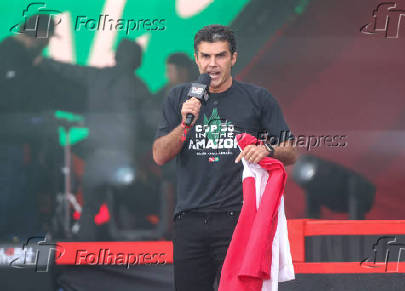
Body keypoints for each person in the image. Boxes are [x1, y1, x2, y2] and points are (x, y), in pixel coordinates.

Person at [153, 24, 297, 291]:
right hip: (190, 220)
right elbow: (160, 155)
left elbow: (290, 150)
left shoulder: (257, 98)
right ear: (196, 58)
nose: (212, 64)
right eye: (205, 56)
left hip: (238, 219)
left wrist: (267, 149)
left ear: (233, 58)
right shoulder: (179, 97)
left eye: (220, 56)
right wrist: (186, 124)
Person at [42, 38, 152, 240]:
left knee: (90, 207)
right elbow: (152, 121)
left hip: (97, 154)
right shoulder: (139, 87)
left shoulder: (97, 76)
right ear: (138, 61)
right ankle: (130, 256)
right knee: (124, 206)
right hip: (123, 157)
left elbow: (69, 70)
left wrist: (45, 61)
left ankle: (83, 254)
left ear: (117, 55)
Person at [0, 14, 84, 241]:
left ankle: (31, 237)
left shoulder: (25, 61)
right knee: (11, 190)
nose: (47, 44)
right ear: (40, 35)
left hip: (22, 143)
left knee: (24, 190)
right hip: (10, 142)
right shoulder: (9, 56)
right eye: (47, 39)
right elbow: (19, 99)